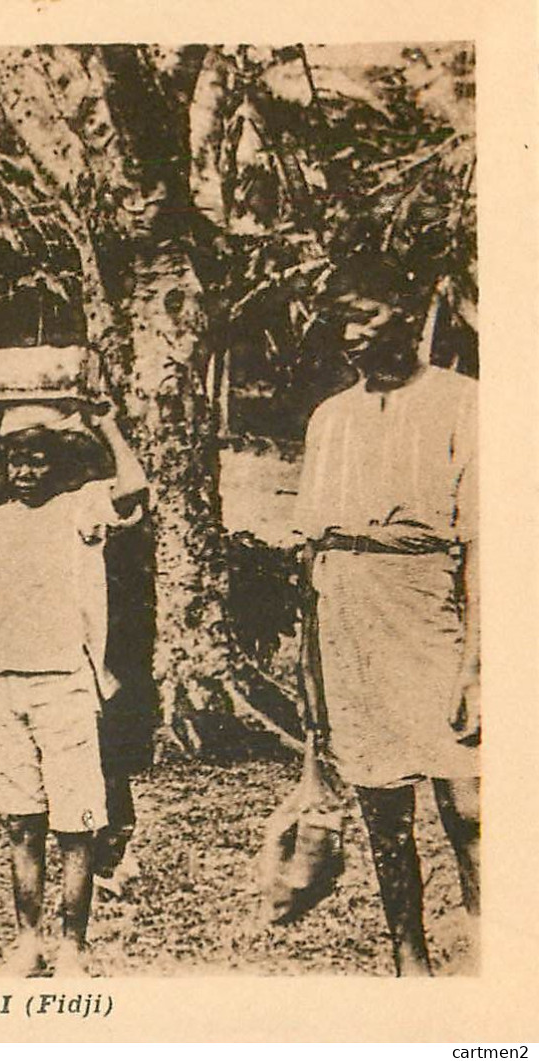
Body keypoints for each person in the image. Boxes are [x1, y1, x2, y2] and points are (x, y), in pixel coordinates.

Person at [292, 260, 479, 976]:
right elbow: (310, 550)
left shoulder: (463, 402)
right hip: (346, 609)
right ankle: (410, 958)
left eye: (366, 323)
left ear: (407, 321)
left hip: (427, 601)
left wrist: (474, 662)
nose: (351, 339)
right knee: (379, 800)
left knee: (466, 798)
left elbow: (482, 542)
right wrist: (308, 658)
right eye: (341, 328)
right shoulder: (329, 417)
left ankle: (490, 951)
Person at [0, 403, 148, 977]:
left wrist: (107, 425)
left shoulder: (80, 509)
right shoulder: (0, 522)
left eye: (37, 462)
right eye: (17, 462)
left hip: (64, 682)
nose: (26, 472)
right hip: (4, 686)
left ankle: (72, 948)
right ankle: (28, 941)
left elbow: (133, 486)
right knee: (20, 819)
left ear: (58, 467)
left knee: (77, 823)